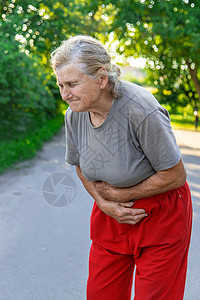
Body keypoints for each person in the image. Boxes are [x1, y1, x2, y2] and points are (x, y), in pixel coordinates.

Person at [50, 35, 193, 300]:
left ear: (101, 78)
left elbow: (175, 175)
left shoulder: (142, 109)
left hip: (161, 216)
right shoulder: (74, 114)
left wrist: (120, 196)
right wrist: (104, 203)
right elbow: (80, 166)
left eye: (72, 84)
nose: (64, 94)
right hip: (110, 215)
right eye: (60, 85)